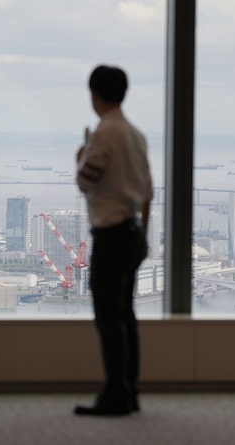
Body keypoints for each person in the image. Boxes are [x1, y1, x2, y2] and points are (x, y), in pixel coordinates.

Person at [73, 65, 153, 416]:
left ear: (95, 95)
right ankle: (129, 390)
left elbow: (85, 182)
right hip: (134, 232)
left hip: (110, 235)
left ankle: (114, 393)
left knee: (109, 318)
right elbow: (148, 193)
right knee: (126, 316)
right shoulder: (135, 135)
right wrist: (145, 237)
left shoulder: (104, 134)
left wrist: (80, 159)